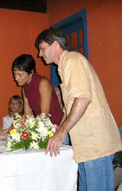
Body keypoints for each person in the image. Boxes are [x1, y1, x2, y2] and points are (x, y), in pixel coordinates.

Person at [36, 28, 122, 191]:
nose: (40, 54)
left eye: (42, 48)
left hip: (95, 144)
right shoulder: (64, 66)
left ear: (55, 45)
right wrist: (58, 132)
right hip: (85, 147)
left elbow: (82, 99)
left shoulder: (72, 61)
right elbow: (70, 108)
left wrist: (61, 133)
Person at [11, 54, 63, 126]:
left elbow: (44, 115)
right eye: (15, 74)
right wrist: (13, 128)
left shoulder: (43, 83)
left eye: (20, 75)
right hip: (41, 127)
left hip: (57, 126)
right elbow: (27, 115)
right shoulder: (25, 88)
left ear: (31, 72)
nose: (16, 78)